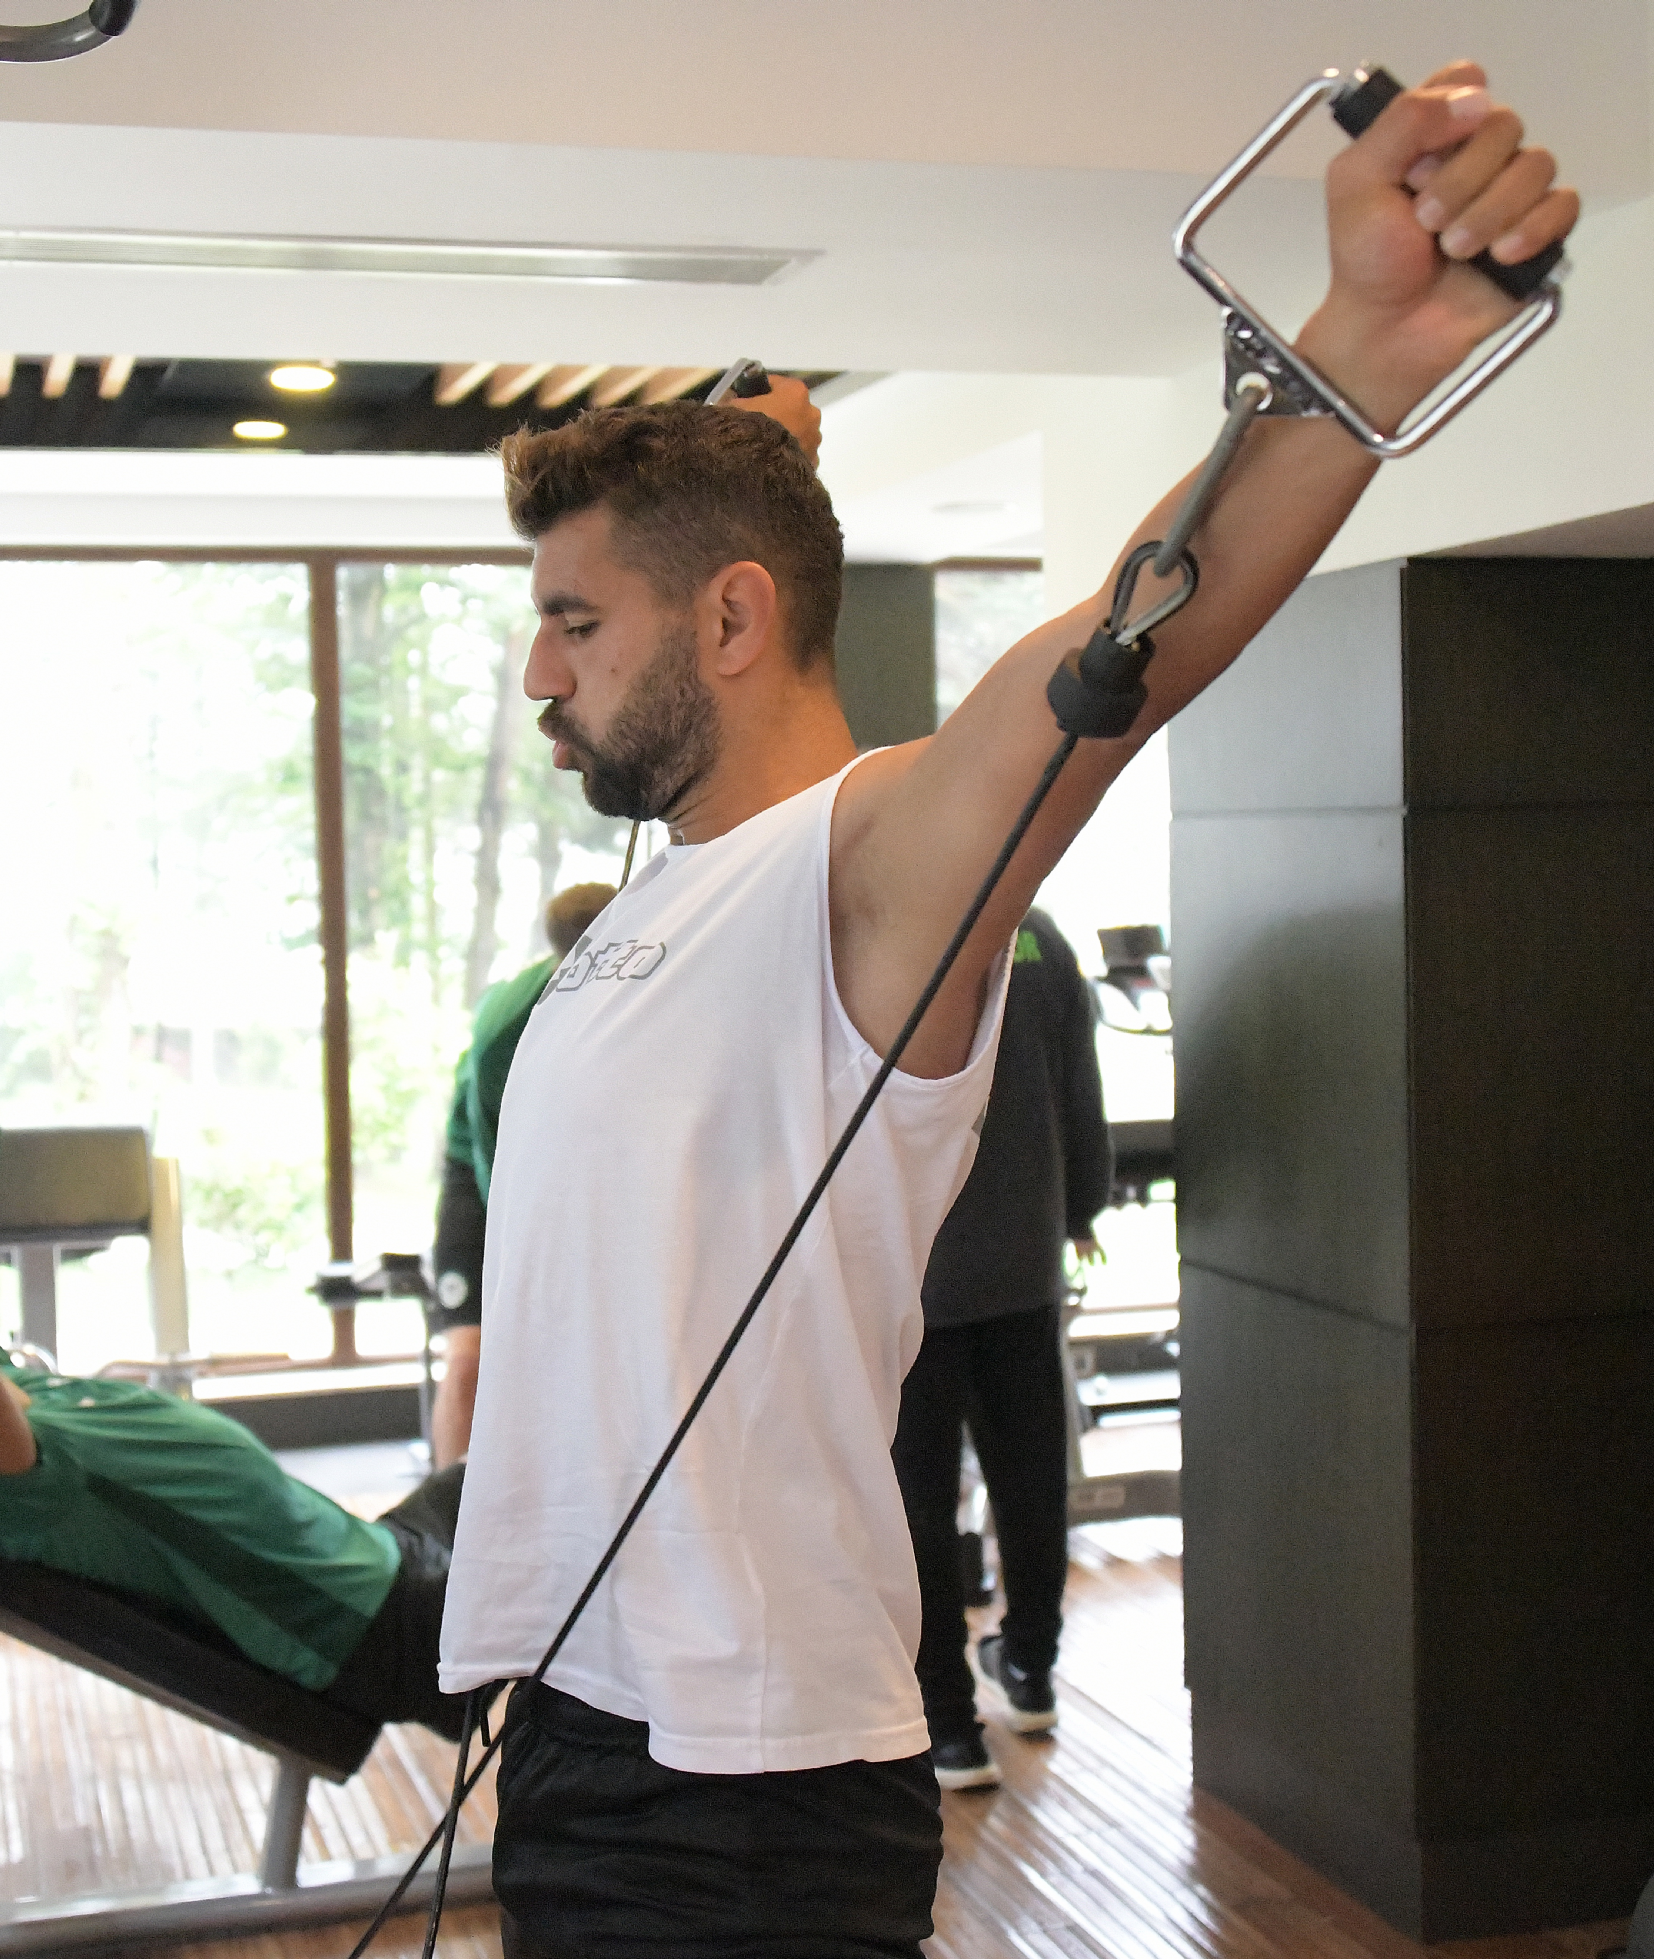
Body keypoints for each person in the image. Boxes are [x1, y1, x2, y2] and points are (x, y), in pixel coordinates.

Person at [433, 70, 1575, 1959]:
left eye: (576, 621)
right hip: (576, 1725)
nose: (538, 674)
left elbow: (1131, 636)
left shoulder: (870, 862)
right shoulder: (661, 893)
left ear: (730, 623)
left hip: (743, 1790)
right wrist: (752, 447)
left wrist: (1366, 339)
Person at [0, 1253, 469, 1739]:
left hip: (386, 1553)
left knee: (513, 1452)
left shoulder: (20, 1385)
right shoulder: (14, 1481)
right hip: (379, 1629)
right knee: (534, 1527)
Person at [893, 905, 1112, 1790]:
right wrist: (1080, 1207)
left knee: (918, 1500)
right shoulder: (1040, 936)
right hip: (1023, 1262)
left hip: (913, 1273)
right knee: (1031, 1482)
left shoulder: (891, 921)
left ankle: (948, 1723)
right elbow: (1081, 1095)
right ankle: (1029, 1668)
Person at [428, 880, 615, 1465]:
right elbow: (496, 1162)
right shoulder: (507, 1027)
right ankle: (449, 1513)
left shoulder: (645, 986)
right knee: (471, 1358)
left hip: (564, 1168)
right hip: (481, 1174)